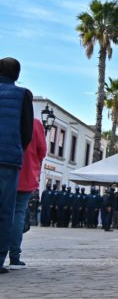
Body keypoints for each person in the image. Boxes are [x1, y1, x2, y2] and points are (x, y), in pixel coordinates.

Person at [0, 57, 33, 275]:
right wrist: (15, 147)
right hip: (8, 161)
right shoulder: (23, 95)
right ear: (17, 75)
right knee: (4, 212)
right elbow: (26, 132)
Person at [6, 117, 46, 270]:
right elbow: (42, 150)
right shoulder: (34, 123)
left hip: (4, 172)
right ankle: (14, 258)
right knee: (18, 214)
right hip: (25, 174)